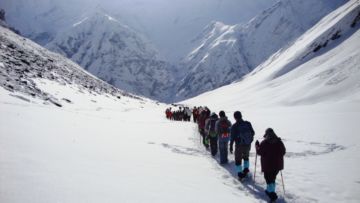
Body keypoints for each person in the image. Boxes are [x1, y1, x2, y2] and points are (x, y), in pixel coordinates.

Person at [255, 128, 286, 202]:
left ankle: (272, 194)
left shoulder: (265, 143)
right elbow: (283, 152)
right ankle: (271, 191)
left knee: (268, 179)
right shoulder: (279, 142)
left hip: (267, 165)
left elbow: (259, 152)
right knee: (272, 178)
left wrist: (257, 146)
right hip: (277, 165)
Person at [230, 111, 255, 180]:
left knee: (238, 159)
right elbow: (253, 132)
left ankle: (240, 175)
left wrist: (231, 146)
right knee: (246, 157)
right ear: (241, 115)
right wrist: (249, 140)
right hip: (247, 144)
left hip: (239, 145)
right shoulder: (247, 123)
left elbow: (232, 138)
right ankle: (246, 170)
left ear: (235, 117)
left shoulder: (234, 126)